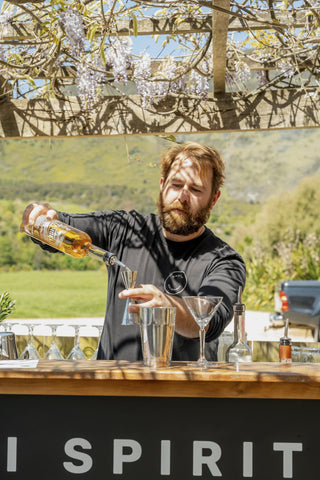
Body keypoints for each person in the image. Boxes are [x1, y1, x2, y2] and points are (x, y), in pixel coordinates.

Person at [22, 142, 246, 361]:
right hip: (111, 390)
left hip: (179, 395)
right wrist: (41, 217)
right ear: (162, 185)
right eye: (176, 185)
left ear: (214, 199)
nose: (182, 197)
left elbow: (211, 321)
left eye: (196, 189)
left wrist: (168, 306)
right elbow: (61, 226)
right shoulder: (125, 229)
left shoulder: (224, 260)